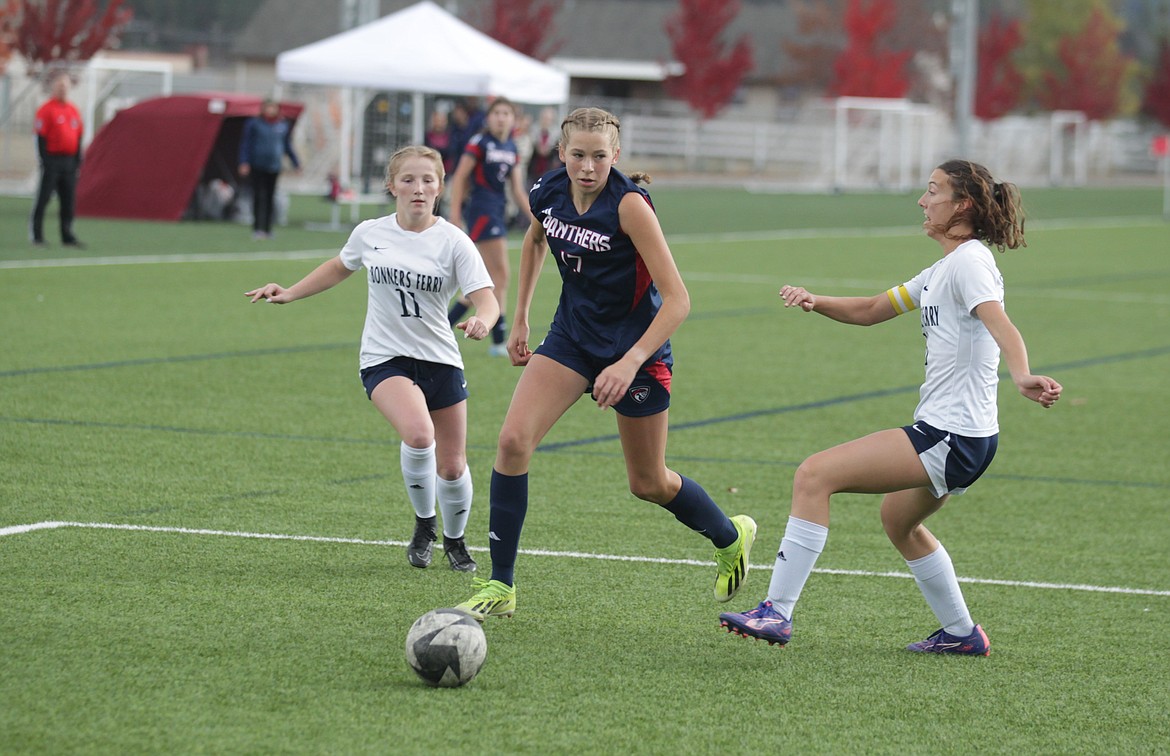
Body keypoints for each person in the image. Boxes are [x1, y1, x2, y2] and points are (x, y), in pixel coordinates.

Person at [718, 159, 1063, 656]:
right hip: (966, 436)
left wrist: (1022, 374)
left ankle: (776, 612)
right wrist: (816, 300)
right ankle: (963, 634)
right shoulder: (943, 269)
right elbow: (873, 309)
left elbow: (1000, 322)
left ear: (962, 204)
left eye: (932, 192)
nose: (923, 202)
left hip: (952, 434)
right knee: (899, 522)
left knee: (814, 476)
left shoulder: (969, 262)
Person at [455, 107, 756, 621]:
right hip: (571, 339)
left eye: (599, 156)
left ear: (615, 156)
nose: (588, 167)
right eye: (578, 155)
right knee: (511, 441)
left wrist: (629, 361)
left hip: (636, 352)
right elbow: (534, 240)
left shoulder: (631, 206)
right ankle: (500, 585)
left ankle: (731, 537)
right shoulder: (547, 191)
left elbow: (678, 299)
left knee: (648, 483)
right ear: (561, 154)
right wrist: (520, 315)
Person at [244, 145, 499, 572]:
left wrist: (483, 321)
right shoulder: (370, 232)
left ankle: (455, 542)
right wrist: (288, 291)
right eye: (409, 180)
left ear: (439, 187)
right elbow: (339, 266)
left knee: (453, 467)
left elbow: (486, 300)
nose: (419, 189)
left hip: (440, 360)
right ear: (391, 186)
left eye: (428, 181)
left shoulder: (455, 242)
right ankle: (424, 526)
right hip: (384, 359)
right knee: (419, 436)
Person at [446, 97, 533, 357]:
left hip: (497, 211)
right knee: (500, 276)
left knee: (493, 279)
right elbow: (460, 176)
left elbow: (517, 189)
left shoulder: (511, 147)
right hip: (482, 211)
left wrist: (537, 218)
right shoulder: (480, 143)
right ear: (489, 118)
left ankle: (448, 325)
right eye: (497, 113)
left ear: (514, 119)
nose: (501, 118)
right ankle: (497, 341)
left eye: (507, 113)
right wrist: (454, 214)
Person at [30, 71, 84, 248]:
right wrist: (45, 160)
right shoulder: (46, 110)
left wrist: (77, 162)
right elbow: (40, 137)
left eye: (65, 86)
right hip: (52, 160)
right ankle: (37, 235)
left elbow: (78, 137)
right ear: (54, 87)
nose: (63, 89)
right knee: (44, 198)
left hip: (69, 162)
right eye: (60, 86)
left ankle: (67, 235)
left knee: (68, 200)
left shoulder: (73, 110)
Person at [238, 97, 300, 240]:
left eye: (273, 107)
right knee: (258, 196)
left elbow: (287, 146)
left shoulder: (282, 125)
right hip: (257, 164)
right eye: (268, 107)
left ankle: (267, 228)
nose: (270, 110)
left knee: (270, 197)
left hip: (273, 166)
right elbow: (245, 144)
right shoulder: (254, 124)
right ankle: (257, 228)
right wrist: (244, 161)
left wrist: (295, 163)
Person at [527, 106, 561, 185]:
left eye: (548, 119)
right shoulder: (533, 130)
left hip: (548, 168)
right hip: (533, 169)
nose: (546, 121)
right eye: (544, 118)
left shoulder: (556, 134)